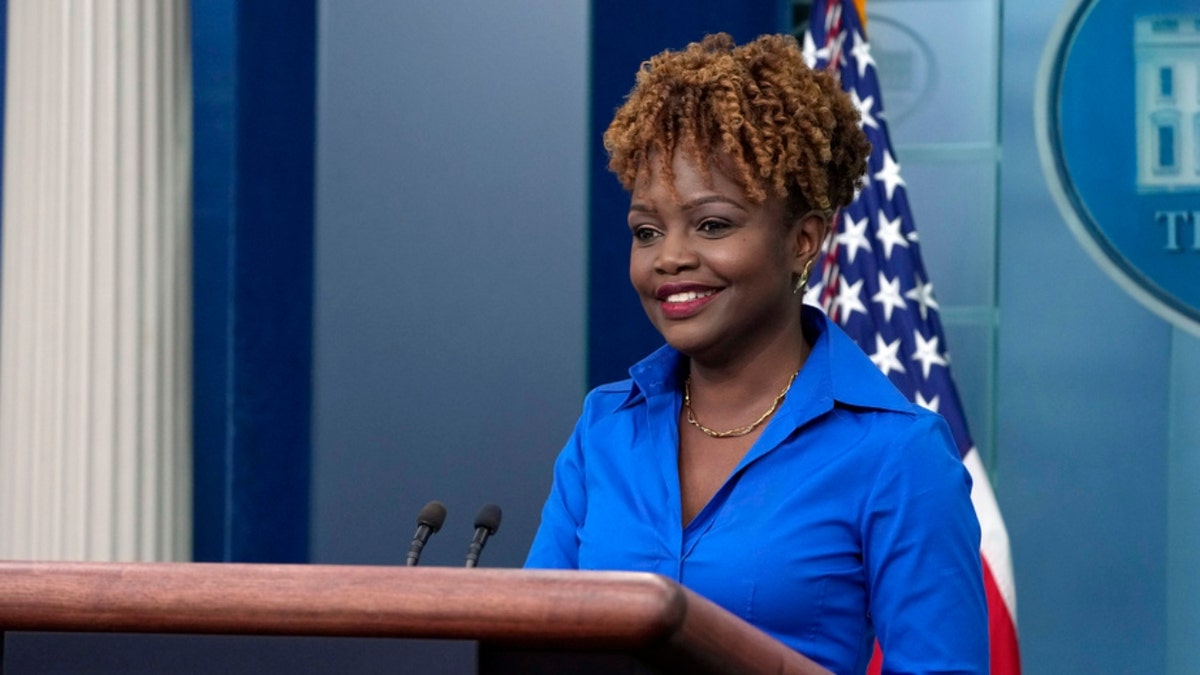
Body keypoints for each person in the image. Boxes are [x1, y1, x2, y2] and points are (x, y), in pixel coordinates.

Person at [525, 33, 988, 674]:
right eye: (646, 231)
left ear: (802, 240)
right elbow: (532, 643)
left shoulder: (897, 455)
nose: (670, 258)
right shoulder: (605, 428)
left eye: (712, 224)